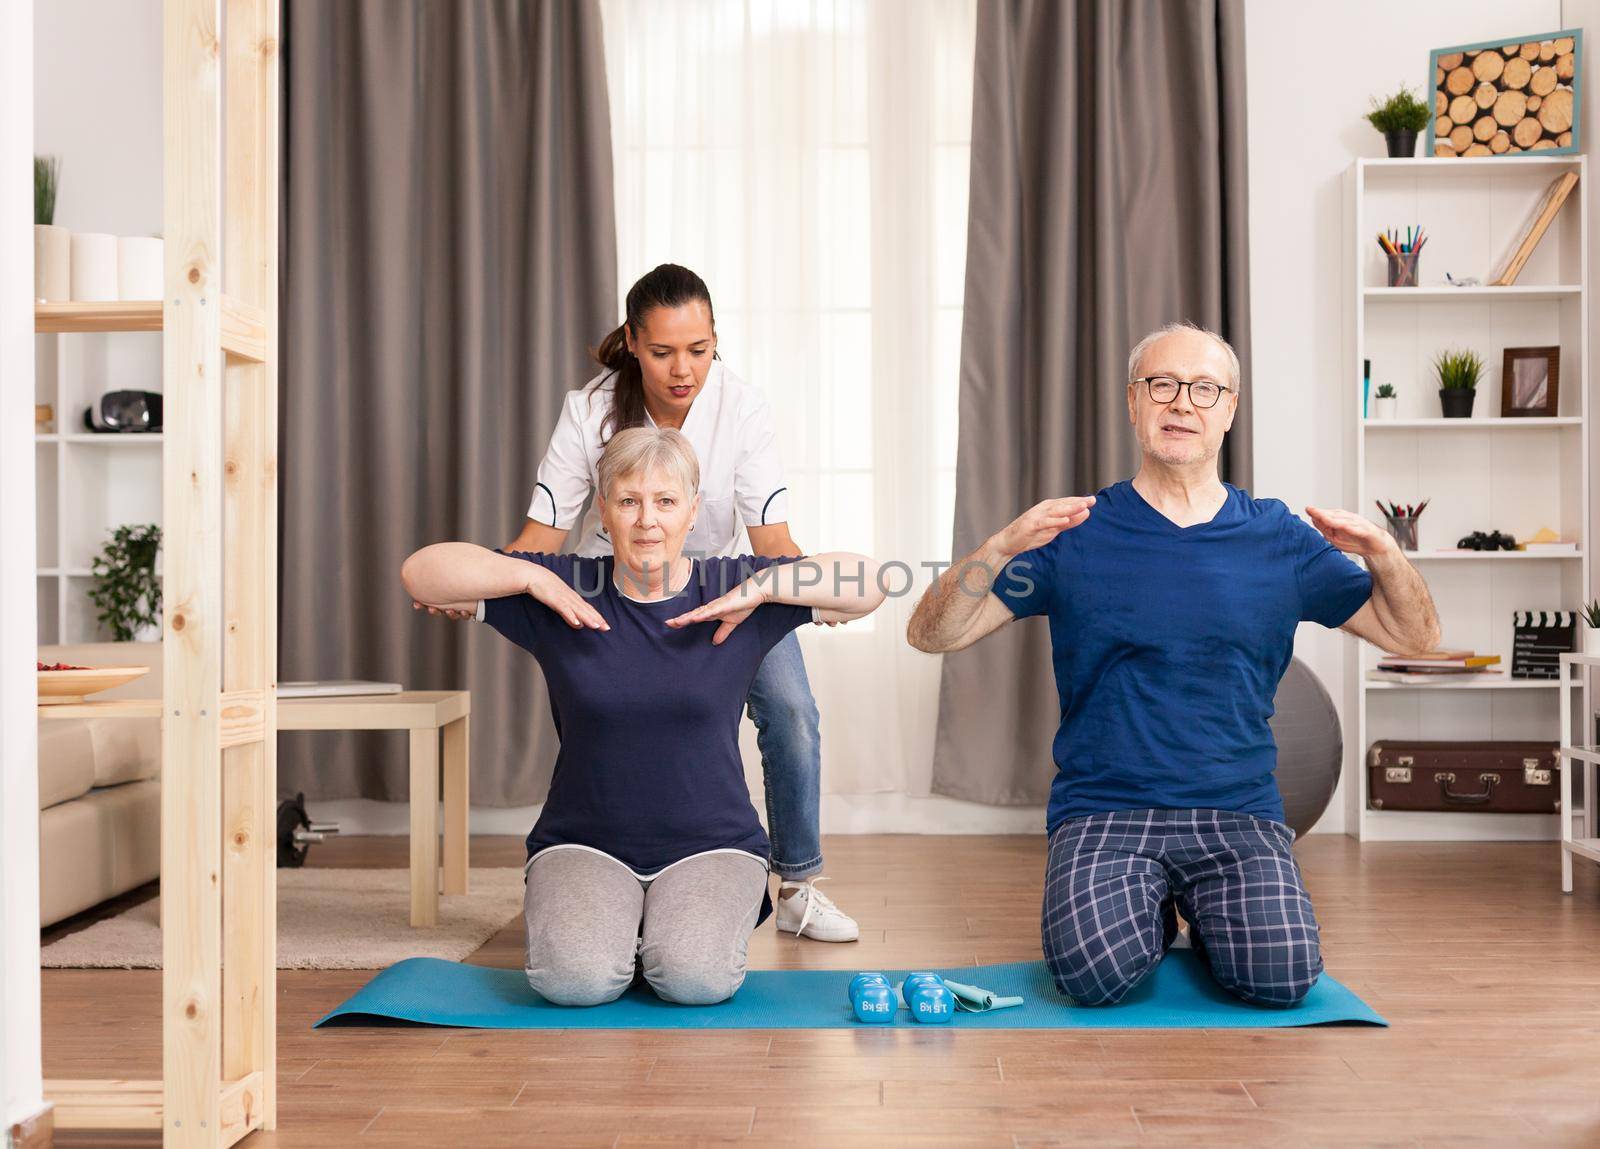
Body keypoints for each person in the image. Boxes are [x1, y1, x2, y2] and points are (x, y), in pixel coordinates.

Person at [906, 321, 1439, 1007]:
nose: (1182, 403)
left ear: (1229, 410)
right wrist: (1001, 545)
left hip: (1238, 812)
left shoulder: (1278, 537)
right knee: (1097, 977)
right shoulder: (1075, 532)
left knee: (1281, 978)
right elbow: (933, 633)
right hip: (1106, 810)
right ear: (1134, 402)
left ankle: (1213, 911)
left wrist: (1386, 553)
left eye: (1204, 388)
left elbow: (1415, 638)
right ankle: (1152, 913)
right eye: (1162, 385)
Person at [427, 263, 859, 942]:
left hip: (725, 585)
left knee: (793, 709)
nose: (682, 368)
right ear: (632, 340)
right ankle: (607, 872)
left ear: (717, 341)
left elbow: (773, 542)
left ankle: (799, 881)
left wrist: (803, 591)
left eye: (699, 349)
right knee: (603, 714)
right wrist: (487, 579)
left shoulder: (741, 407)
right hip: (612, 585)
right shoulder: (591, 409)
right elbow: (538, 540)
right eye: (662, 352)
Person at [402, 428, 884, 1005]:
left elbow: (871, 582)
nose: (647, 521)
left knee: (692, 981)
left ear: (692, 509)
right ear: (603, 510)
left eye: (665, 502)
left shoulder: (733, 588)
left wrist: (764, 588)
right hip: (582, 843)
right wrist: (531, 576)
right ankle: (623, 928)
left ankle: (656, 931)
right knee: (574, 983)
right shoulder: (565, 591)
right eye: (628, 502)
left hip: (715, 845)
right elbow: (421, 573)